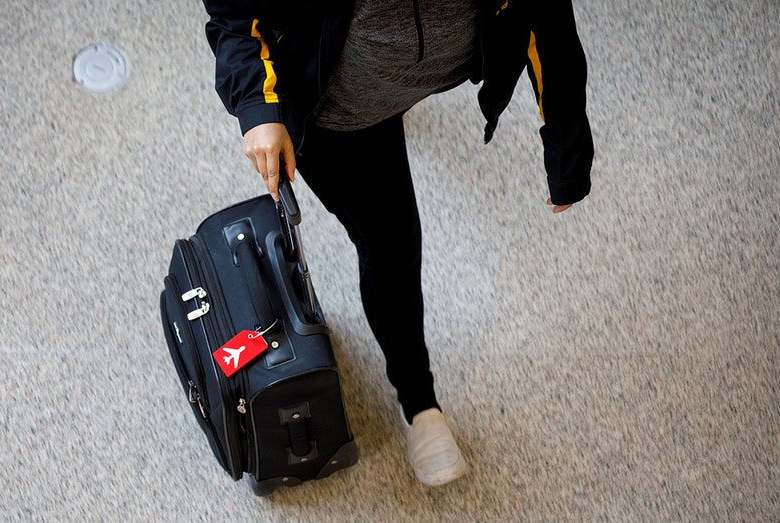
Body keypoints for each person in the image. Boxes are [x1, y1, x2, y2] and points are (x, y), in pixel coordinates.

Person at [199, 0, 594, 487]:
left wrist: (567, 139)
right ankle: (419, 401)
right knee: (392, 249)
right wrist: (259, 107)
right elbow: (234, 13)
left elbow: (543, 12)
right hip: (343, 110)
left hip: (433, 67)